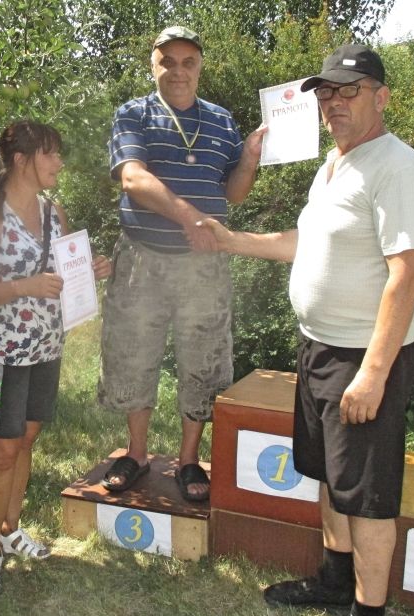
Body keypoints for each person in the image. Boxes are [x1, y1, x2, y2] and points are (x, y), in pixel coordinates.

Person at [200, 44, 414, 616]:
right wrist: (230, 240)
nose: (334, 103)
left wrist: (374, 374)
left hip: (364, 356)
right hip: (320, 347)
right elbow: (303, 243)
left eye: (349, 91)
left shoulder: (399, 168)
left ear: (382, 97)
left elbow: (408, 275)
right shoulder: (333, 164)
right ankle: (335, 577)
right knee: (332, 474)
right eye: (326, 93)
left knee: (368, 495)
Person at [98, 26, 260, 501]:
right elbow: (132, 179)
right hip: (141, 260)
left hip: (203, 266)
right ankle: (137, 454)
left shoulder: (222, 120)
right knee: (133, 356)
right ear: (153, 65)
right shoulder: (133, 114)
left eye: (188, 62)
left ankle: (190, 461)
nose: (178, 71)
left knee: (203, 361)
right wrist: (191, 217)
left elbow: (234, 192)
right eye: (167, 61)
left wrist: (249, 159)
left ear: (200, 67)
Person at [0, 120, 111, 599]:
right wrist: (24, 286)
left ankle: (10, 528)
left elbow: (63, 274)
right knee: (2, 450)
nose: (59, 162)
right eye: (50, 154)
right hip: (0, 349)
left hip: (46, 346)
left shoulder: (53, 212)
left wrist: (90, 271)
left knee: (25, 440)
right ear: (20, 160)